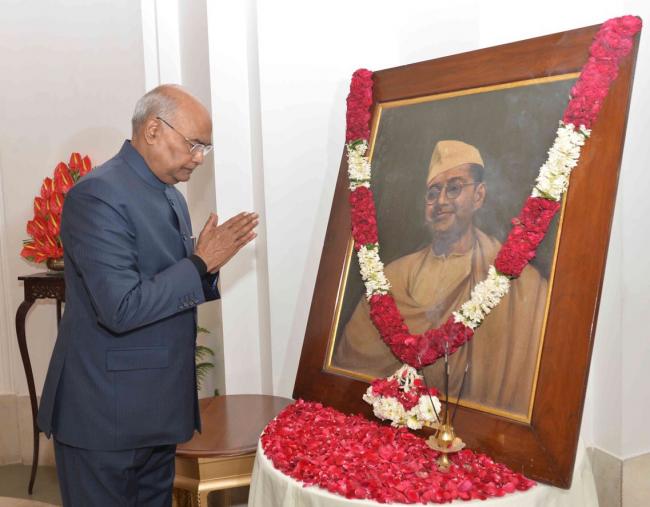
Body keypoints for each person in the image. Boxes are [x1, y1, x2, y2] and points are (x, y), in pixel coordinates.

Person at [37, 84, 258, 506]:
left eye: (205, 149)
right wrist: (199, 264)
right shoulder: (97, 195)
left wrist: (205, 267)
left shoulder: (171, 197)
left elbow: (168, 287)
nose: (198, 158)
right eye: (194, 144)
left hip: (157, 414)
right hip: (105, 416)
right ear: (153, 130)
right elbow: (120, 307)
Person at [334, 140, 548, 416]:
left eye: (454, 188)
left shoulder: (517, 283)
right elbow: (350, 368)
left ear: (479, 196)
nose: (441, 201)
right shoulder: (393, 277)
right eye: (433, 193)